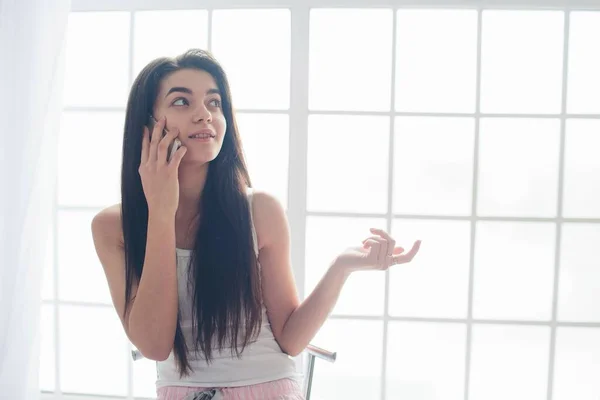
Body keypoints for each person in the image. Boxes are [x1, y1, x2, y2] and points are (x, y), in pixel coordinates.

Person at [91, 49, 422, 400]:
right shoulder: (113, 228)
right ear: (147, 125)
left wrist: (342, 266)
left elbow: (291, 339)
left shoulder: (259, 210)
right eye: (181, 102)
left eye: (214, 102)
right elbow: (155, 345)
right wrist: (161, 210)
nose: (205, 115)